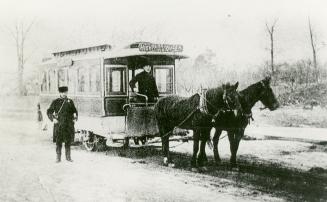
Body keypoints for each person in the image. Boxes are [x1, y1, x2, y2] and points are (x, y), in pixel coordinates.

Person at [47, 86, 78, 163]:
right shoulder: (56, 101)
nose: (64, 94)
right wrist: (53, 119)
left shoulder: (70, 101)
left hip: (68, 124)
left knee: (68, 142)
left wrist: (74, 117)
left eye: (66, 92)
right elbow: (49, 111)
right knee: (58, 142)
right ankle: (58, 158)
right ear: (60, 93)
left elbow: (74, 111)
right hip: (59, 124)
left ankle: (68, 157)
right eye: (63, 92)